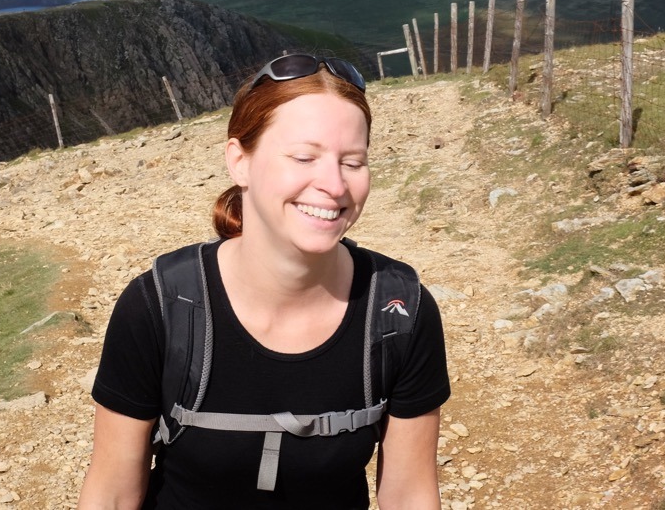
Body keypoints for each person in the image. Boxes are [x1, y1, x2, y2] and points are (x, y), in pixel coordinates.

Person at [77, 53, 451, 509]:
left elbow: (410, 495)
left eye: (353, 161)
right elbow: (112, 493)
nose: (333, 185)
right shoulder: (161, 304)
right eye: (303, 157)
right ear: (239, 162)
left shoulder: (398, 311)